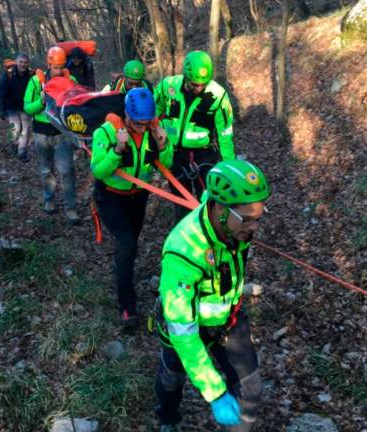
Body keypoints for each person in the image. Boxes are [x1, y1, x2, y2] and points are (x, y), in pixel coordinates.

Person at [154, 160, 269, 432]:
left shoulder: (234, 229)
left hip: (226, 318)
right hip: (185, 324)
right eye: (247, 219)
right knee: (172, 379)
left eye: (259, 218)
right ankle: (167, 416)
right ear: (219, 209)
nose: (255, 229)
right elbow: (182, 331)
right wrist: (215, 392)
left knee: (250, 386)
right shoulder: (183, 250)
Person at [90, 88, 173, 330]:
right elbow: (98, 169)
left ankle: (123, 265)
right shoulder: (105, 133)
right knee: (126, 243)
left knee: (131, 243)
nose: (142, 128)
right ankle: (127, 306)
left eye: (146, 124)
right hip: (110, 197)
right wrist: (117, 150)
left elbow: (164, 166)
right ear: (127, 115)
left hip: (138, 197)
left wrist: (164, 144)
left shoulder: (152, 132)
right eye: (137, 124)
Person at [154, 50, 236, 223]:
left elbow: (225, 135)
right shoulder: (168, 87)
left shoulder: (218, 96)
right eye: (194, 84)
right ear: (186, 77)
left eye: (202, 85)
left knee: (206, 201)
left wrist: (229, 166)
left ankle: (208, 237)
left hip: (203, 156)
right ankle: (183, 240)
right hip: (175, 154)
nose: (198, 88)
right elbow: (154, 112)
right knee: (181, 203)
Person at [23, 46, 80, 224]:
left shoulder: (71, 80)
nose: (58, 70)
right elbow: (27, 107)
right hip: (41, 132)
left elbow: (78, 104)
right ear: (49, 64)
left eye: (61, 67)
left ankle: (71, 208)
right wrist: (40, 101)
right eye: (55, 67)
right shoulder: (35, 81)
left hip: (63, 132)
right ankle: (49, 200)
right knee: (46, 169)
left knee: (67, 170)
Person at [0, 54, 34, 162]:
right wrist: (1, 109)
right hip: (11, 107)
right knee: (16, 128)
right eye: (21, 62)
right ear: (16, 62)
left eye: (25, 62)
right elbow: (1, 92)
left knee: (26, 130)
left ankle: (22, 152)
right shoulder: (9, 74)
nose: (23, 64)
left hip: (25, 107)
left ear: (28, 63)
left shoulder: (31, 75)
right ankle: (14, 143)